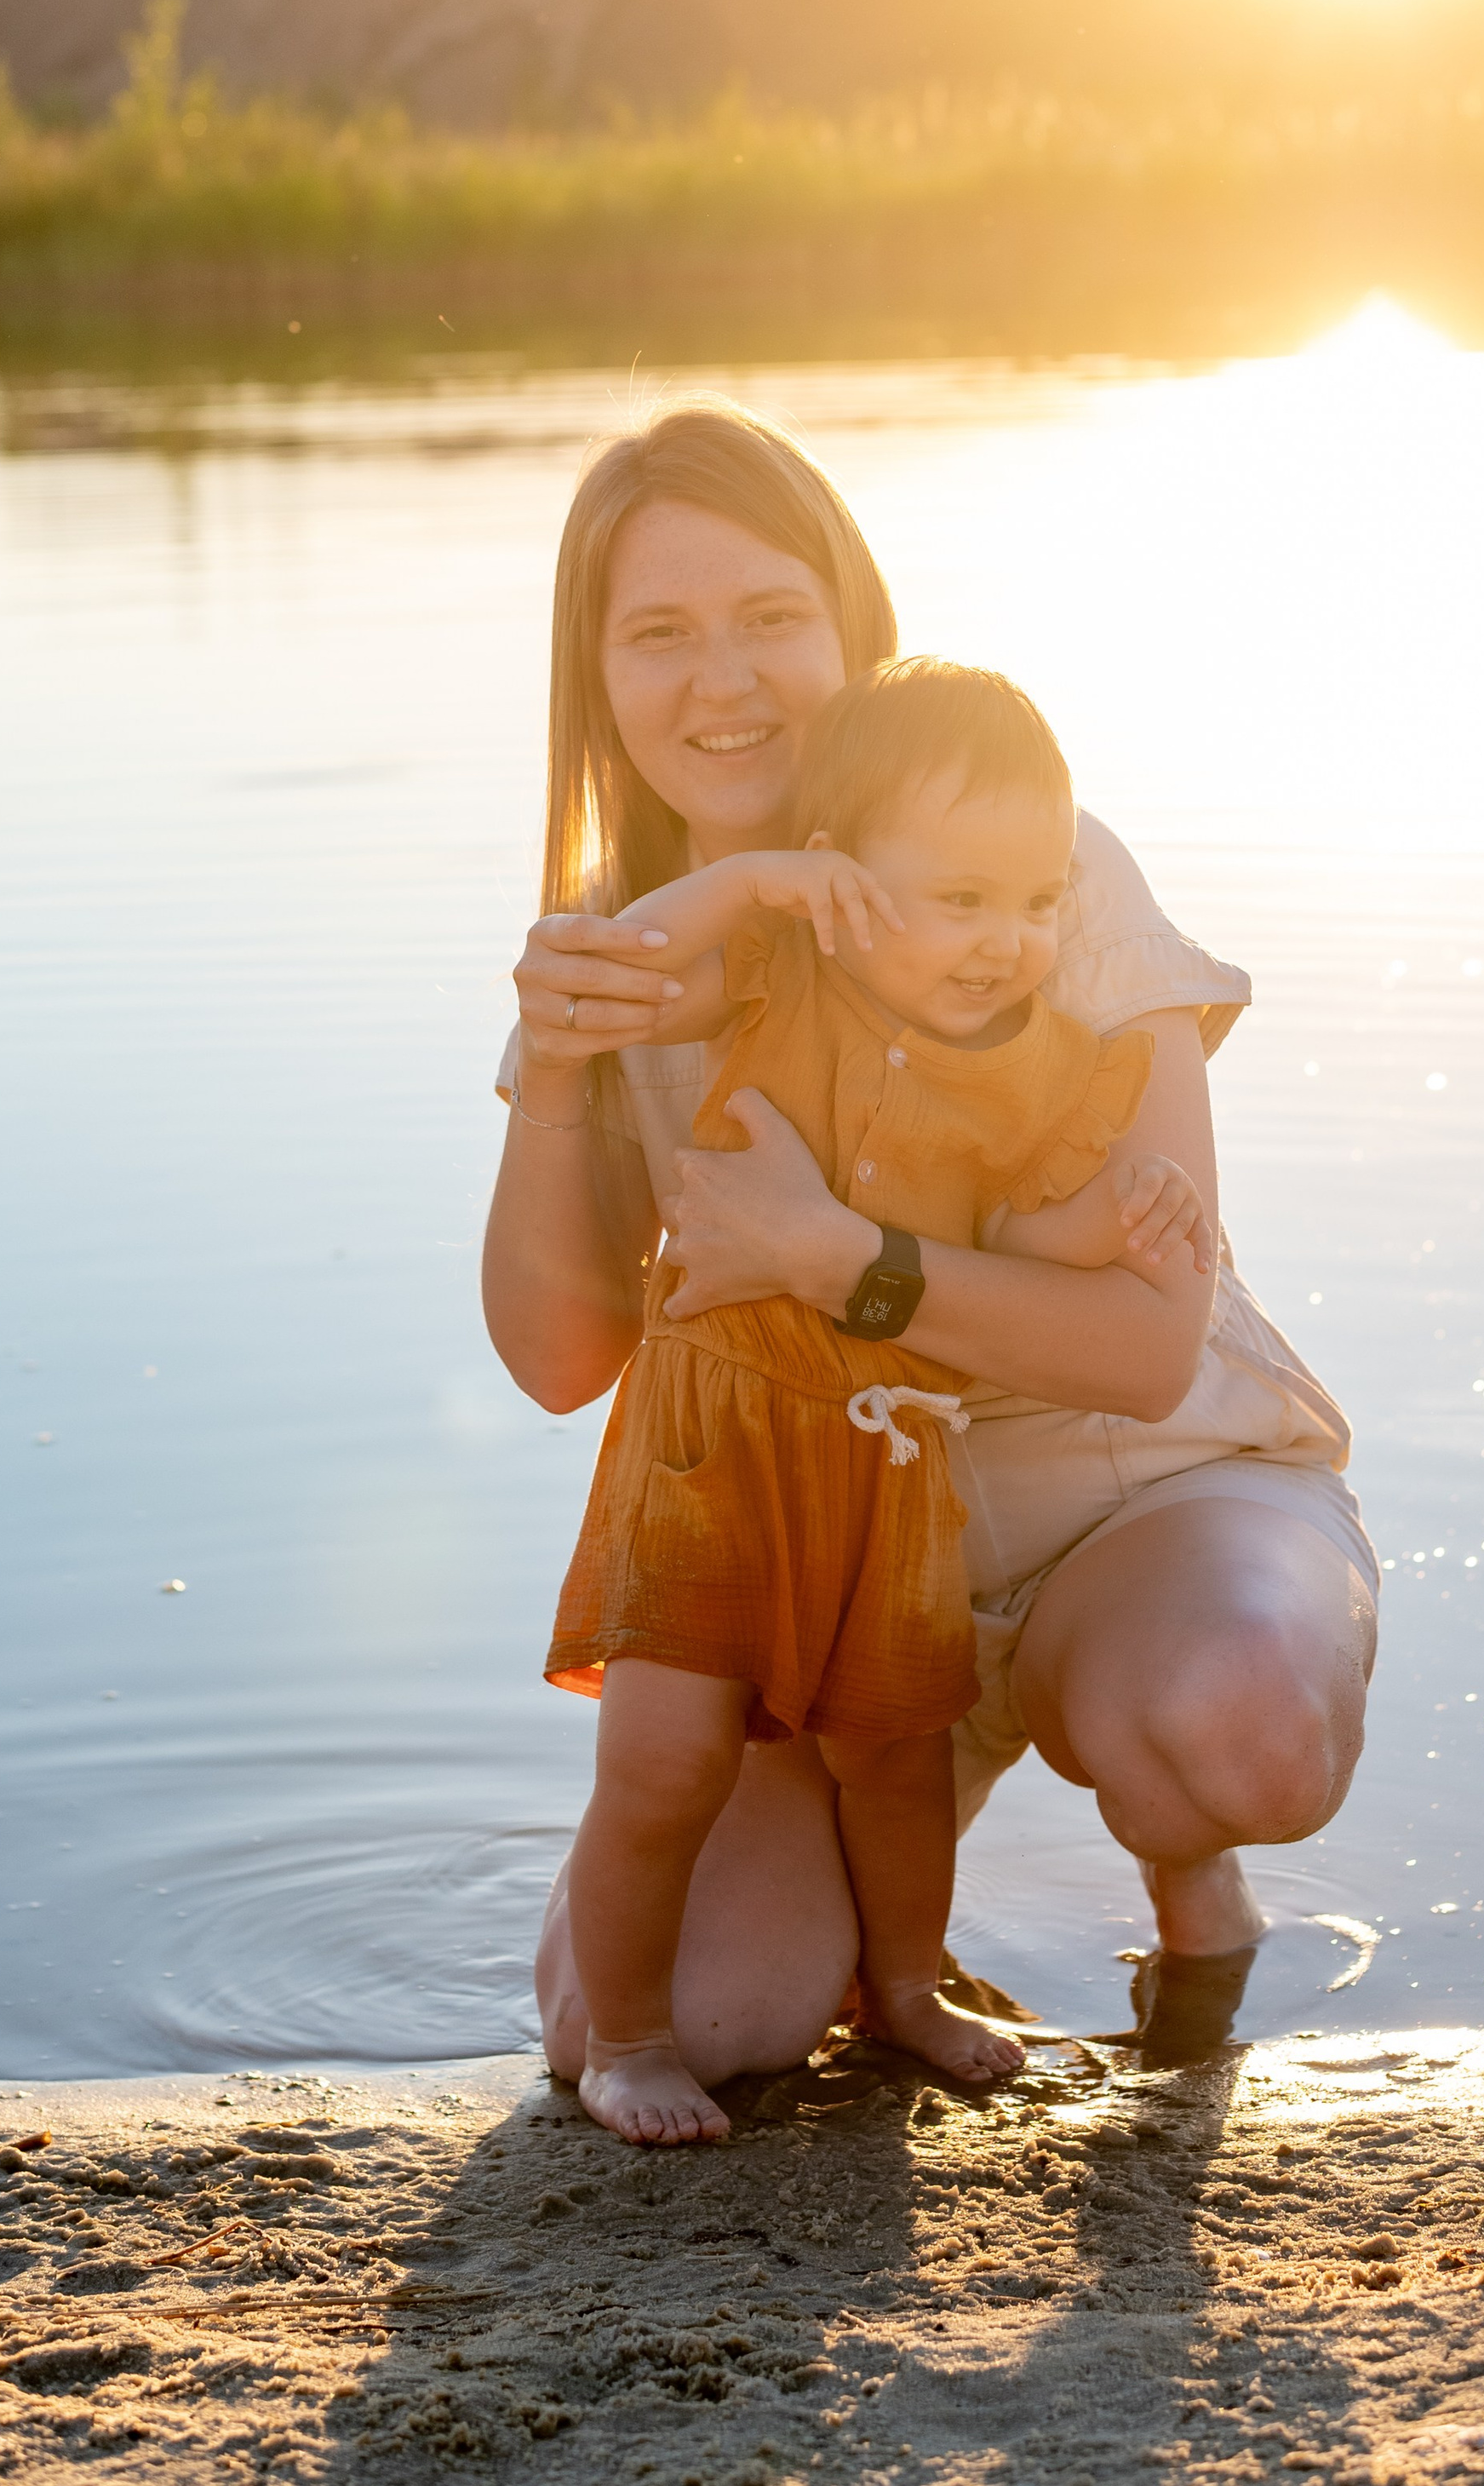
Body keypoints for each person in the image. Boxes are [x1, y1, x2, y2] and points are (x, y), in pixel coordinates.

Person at [483, 399, 1378, 2094]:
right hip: (832, 1568)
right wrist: (553, 1059)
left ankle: (1187, 1881)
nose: (725, 681)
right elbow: (554, 1363)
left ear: (850, 627)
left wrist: (839, 1257)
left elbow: (1143, 1348)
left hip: (1132, 1497)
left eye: (770, 616)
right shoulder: (634, 940)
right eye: (659, 634)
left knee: (1235, 1731)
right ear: (595, 678)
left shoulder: (1031, 873)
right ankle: (886, 1920)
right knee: (684, 2019)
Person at [545, 658, 1210, 2141]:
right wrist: (756, 883)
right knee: (663, 1755)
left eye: (1035, 903)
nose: (1006, 941)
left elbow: (1018, 1236)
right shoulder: (776, 969)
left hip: (890, 1457)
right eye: (960, 900)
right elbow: (626, 965)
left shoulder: (1037, 1072)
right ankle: (629, 2041)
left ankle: (906, 1988)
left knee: (897, 1759)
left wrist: (1124, 1218)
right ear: (843, 880)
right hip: (714, 1444)